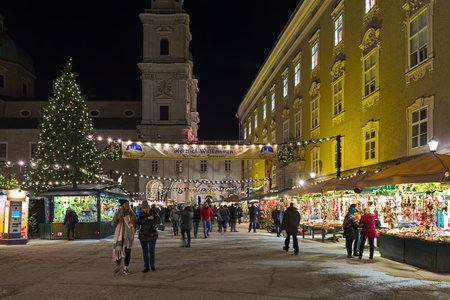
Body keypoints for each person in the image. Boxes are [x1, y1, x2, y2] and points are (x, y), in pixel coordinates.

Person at [112, 199, 136, 275]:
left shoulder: (132, 213)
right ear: (122, 205)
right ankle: (118, 265)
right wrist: (115, 220)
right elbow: (113, 224)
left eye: (128, 204)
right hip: (120, 235)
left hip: (128, 236)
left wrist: (133, 222)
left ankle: (125, 267)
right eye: (125, 204)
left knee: (127, 252)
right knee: (118, 250)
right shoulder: (118, 213)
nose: (127, 205)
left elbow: (136, 222)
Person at [138, 200, 160, 273]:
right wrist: (146, 218)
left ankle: (152, 265)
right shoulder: (141, 214)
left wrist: (153, 218)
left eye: (146, 208)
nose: (145, 210)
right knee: (145, 252)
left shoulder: (153, 212)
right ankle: (146, 266)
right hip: (143, 235)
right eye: (143, 208)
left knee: (151, 251)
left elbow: (159, 221)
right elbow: (139, 222)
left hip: (152, 234)